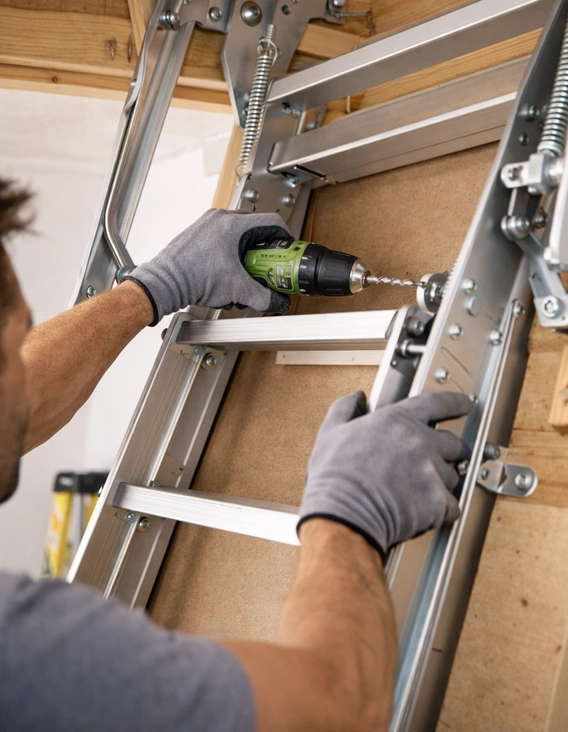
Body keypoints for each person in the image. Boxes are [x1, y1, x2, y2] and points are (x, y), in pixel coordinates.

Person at [0, 179, 471, 732]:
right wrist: (348, 518)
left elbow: (21, 397)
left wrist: (153, 287)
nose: (21, 370)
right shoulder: (24, 652)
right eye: (13, 347)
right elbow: (337, 710)